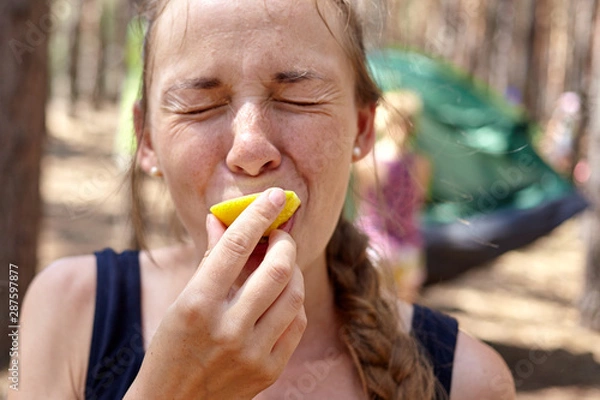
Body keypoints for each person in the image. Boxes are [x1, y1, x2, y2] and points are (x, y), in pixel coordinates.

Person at [13, 1, 515, 399]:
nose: (250, 149)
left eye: (298, 98)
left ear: (361, 127)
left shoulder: (469, 382)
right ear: (146, 140)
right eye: (201, 104)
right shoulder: (67, 311)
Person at [353, 90, 431, 303]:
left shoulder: (368, 161)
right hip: (409, 245)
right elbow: (420, 201)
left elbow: (362, 203)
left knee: (371, 308)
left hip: (375, 245)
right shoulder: (421, 163)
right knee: (404, 315)